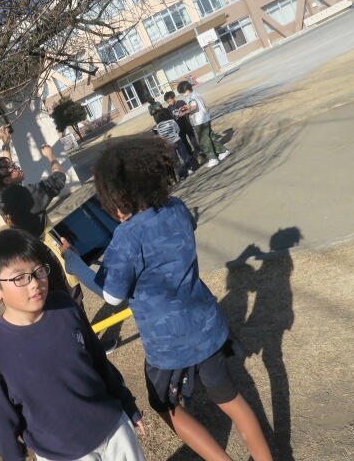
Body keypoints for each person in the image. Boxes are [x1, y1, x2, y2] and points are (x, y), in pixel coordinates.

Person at [62, 139, 273, 461]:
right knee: (229, 397)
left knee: (163, 404)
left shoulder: (126, 237)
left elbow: (113, 296)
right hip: (207, 326)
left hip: (168, 343)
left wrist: (76, 265)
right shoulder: (176, 207)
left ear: (115, 196)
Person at [0, 229, 147, 461]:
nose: (34, 283)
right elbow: (3, 420)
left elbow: (98, 360)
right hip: (62, 454)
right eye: (20, 278)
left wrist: (127, 404)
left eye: (38, 271)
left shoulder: (65, 306)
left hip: (114, 428)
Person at [0, 126, 82, 305]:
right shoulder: (24, 196)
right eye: (14, 168)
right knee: (70, 294)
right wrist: (51, 157)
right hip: (49, 251)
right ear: (7, 179)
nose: (18, 167)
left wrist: (5, 143)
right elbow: (58, 179)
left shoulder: (3, 197)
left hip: (32, 255)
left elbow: (5, 170)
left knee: (51, 296)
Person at [177, 81, 230, 168]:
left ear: (185, 90)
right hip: (206, 118)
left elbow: (194, 107)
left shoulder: (190, 96)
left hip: (200, 121)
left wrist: (183, 113)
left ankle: (212, 159)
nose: (183, 94)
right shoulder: (197, 94)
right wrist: (187, 107)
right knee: (211, 137)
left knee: (204, 141)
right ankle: (223, 151)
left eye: (182, 92)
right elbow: (197, 105)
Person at [163, 90, 201, 163]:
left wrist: (183, 111)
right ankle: (190, 153)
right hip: (179, 129)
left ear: (173, 98)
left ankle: (198, 151)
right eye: (168, 102)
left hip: (187, 125)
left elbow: (188, 110)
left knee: (193, 139)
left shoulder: (181, 103)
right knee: (184, 142)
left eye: (170, 101)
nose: (169, 103)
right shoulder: (169, 108)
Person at [154, 108, 191, 179]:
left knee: (175, 159)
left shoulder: (158, 126)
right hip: (177, 140)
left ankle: (181, 175)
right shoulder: (171, 121)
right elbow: (178, 130)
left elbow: (161, 136)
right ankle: (190, 168)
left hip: (168, 144)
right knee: (184, 154)